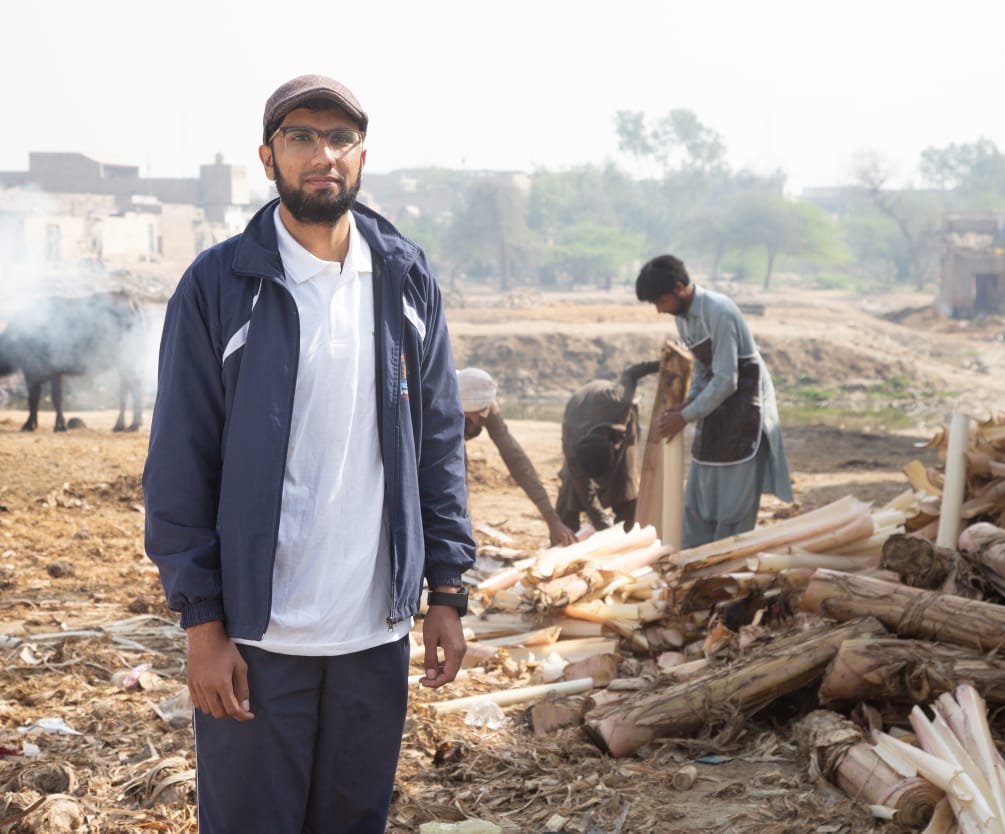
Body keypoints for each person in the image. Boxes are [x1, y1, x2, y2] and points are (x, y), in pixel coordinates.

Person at [142, 74, 475, 834]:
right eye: (301, 138)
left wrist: (447, 594)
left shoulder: (404, 277)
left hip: (374, 635)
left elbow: (438, 445)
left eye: (339, 138)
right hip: (261, 639)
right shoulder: (221, 286)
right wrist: (203, 626)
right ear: (269, 158)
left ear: (362, 155)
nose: (322, 154)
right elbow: (179, 466)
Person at [634, 254, 793, 547]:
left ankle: (723, 574)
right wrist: (687, 404)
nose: (659, 311)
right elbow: (702, 372)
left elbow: (727, 379)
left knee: (733, 508)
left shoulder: (719, 311)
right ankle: (692, 568)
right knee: (699, 501)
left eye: (660, 302)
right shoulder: (683, 319)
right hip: (716, 411)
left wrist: (686, 415)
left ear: (680, 288)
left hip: (747, 411)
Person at [457, 367, 577, 547]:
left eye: (478, 413)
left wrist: (552, 520)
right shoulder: (442, 401)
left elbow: (516, 460)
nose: (476, 418)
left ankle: (461, 537)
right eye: (470, 413)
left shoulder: (485, 405)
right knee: (455, 481)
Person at [555, 360, 660, 533]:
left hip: (623, 427)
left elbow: (631, 372)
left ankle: (627, 533)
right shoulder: (572, 441)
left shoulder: (616, 401)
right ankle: (563, 537)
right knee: (571, 488)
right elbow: (583, 485)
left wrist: (663, 364)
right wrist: (602, 524)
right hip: (584, 415)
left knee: (627, 486)